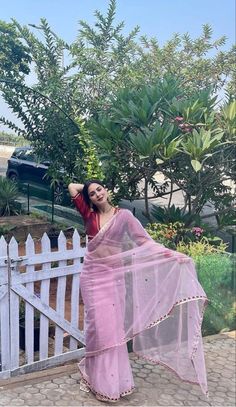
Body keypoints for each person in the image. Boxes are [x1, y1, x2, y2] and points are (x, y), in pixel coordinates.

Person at [68, 179, 208, 403]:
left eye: (100, 189)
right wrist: (86, 188)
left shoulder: (123, 216)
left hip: (114, 278)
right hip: (93, 277)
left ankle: (114, 383)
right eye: (92, 193)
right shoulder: (89, 214)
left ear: (107, 190)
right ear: (89, 199)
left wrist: (173, 255)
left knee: (113, 330)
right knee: (98, 328)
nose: (97, 194)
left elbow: (145, 242)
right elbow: (72, 188)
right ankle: (96, 378)